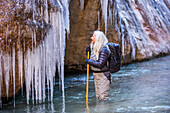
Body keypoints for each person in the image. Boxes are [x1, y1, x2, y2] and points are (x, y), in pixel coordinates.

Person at [85, 30, 112, 100]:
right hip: (96, 75)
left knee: (103, 97)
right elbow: (93, 60)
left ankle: (105, 110)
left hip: (103, 75)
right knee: (98, 97)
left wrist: (89, 61)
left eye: (93, 36)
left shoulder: (104, 50)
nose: (91, 38)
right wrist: (88, 52)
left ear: (98, 38)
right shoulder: (95, 48)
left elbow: (100, 64)